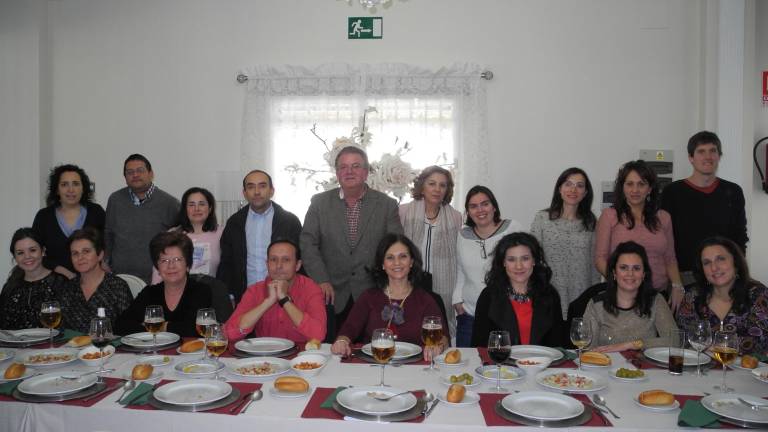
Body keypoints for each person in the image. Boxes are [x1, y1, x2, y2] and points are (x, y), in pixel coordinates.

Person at [301, 146, 403, 334]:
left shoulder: (386, 205)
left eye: (355, 166)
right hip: (330, 293)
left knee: (372, 352)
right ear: (337, 173)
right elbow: (308, 244)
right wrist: (321, 280)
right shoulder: (319, 203)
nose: (349, 171)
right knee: (332, 351)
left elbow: (395, 248)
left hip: (373, 293)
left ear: (365, 172)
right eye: (343, 167)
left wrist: (386, 284)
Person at [330, 234, 447, 361]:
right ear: (383, 264)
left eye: (403, 256)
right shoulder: (368, 297)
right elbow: (349, 329)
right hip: (375, 365)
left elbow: (444, 337)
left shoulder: (425, 300)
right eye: (390, 258)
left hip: (416, 368)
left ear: (412, 262)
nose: (397, 263)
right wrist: (342, 341)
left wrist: (438, 346)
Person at [595, 160, 684, 311]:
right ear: (622, 187)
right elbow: (599, 259)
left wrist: (677, 286)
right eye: (629, 184)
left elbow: (670, 258)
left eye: (641, 184)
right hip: (622, 296)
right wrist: (621, 284)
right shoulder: (610, 216)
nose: (635, 189)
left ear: (649, 189)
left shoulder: (663, 217)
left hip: (658, 296)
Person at [661, 131, 748, 285]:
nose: (708, 156)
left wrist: (738, 271)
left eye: (712, 151)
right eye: (701, 151)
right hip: (684, 277)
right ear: (691, 158)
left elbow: (740, 236)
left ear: (719, 156)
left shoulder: (733, 191)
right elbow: (664, 241)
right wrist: (675, 283)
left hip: (724, 274)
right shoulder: (672, 192)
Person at [452, 186, 522, 347]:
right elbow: (460, 270)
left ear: (494, 206)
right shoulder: (463, 235)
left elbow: (526, 266)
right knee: (466, 367)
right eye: (473, 206)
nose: (480, 210)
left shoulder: (512, 228)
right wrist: (457, 300)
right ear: (468, 212)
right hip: (469, 315)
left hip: (505, 314)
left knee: (504, 367)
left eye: (485, 204)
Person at [218, 170, 301, 303]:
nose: (257, 192)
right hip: (245, 297)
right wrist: (228, 295)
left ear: (272, 191)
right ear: (244, 193)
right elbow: (227, 262)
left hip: (283, 296)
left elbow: (299, 261)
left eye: (262, 186)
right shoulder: (234, 222)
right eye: (251, 187)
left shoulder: (289, 221)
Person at [398, 166, 462, 338]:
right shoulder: (403, 212)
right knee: (408, 326)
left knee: (437, 329)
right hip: (411, 279)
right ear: (422, 186)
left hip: (442, 283)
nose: (437, 189)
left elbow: (458, 256)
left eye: (443, 185)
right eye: (432, 183)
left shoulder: (456, 217)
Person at [676, 237, 768, 355]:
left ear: (736, 263)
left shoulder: (758, 295)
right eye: (707, 262)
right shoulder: (693, 296)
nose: (714, 268)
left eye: (720, 259)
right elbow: (684, 339)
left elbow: (761, 342)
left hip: (747, 371)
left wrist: (712, 345)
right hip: (702, 369)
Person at [471, 232, 564, 347]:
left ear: (534, 261)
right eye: (511, 259)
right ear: (503, 262)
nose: (519, 266)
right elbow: (480, 345)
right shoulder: (488, 296)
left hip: (543, 363)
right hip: (501, 363)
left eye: (525, 258)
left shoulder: (550, 295)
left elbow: (559, 344)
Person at [115, 231, 216, 337]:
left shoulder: (201, 291)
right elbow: (120, 325)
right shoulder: (150, 292)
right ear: (157, 267)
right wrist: (170, 327)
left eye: (177, 259)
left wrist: (161, 327)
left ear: (187, 264)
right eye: (164, 260)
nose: (171, 266)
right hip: (154, 352)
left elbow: (196, 330)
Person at [223, 239, 325, 344]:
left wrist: (284, 300)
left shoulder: (311, 289)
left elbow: (318, 335)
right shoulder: (255, 290)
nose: (279, 266)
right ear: (267, 264)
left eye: (286, 260)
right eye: (273, 259)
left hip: (302, 357)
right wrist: (268, 302)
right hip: (264, 356)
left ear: (298, 265)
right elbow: (229, 334)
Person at [583, 241, 678, 352]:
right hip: (606, 366)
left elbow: (674, 340)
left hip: (645, 368)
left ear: (643, 274)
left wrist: (632, 345)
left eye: (636, 268)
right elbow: (587, 350)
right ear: (614, 272)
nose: (630, 274)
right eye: (623, 268)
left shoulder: (656, 300)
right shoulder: (596, 305)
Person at [531, 167, 600, 319]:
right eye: (568, 184)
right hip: (549, 295)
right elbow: (533, 258)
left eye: (580, 185)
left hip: (581, 296)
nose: (573, 189)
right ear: (559, 189)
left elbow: (594, 266)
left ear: (585, 193)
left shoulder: (591, 223)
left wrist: (594, 297)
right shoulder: (542, 219)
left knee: (576, 341)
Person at [104, 154, 179, 284]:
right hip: (119, 279)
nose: (135, 175)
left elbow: (179, 240)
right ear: (125, 177)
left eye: (140, 170)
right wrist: (105, 261)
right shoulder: (115, 200)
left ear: (151, 174)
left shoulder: (170, 203)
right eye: (130, 172)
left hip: (157, 280)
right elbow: (108, 233)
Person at [32, 164, 105, 279]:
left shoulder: (96, 212)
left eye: (76, 184)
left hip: (92, 279)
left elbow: (105, 245)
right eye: (64, 184)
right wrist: (64, 272)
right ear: (57, 190)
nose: (71, 190)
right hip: (56, 280)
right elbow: (35, 252)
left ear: (83, 188)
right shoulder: (44, 216)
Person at [59, 227, 133, 333]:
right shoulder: (67, 288)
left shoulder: (118, 286)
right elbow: (60, 330)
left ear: (100, 255)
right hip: (71, 347)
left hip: (110, 348)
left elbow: (128, 329)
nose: (80, 257)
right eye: (75, 253)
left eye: (86, 251)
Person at [151, 187, 224, 284]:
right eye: (191, 205)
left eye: (201, 204)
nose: (196, 209)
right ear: (185, 209)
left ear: (210, 208)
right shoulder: (172, 235)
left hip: (210, 292)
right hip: (177, 292)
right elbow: (159, 268)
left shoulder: (222, 233)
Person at [0, 228, 68, 329]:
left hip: (53, 344)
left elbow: (69, 326)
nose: (27, 256)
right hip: (12, 345)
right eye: (20, 253)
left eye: (32, 250)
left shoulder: (61, 283)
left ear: (43, 251)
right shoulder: (9, 288)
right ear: (15, 257)